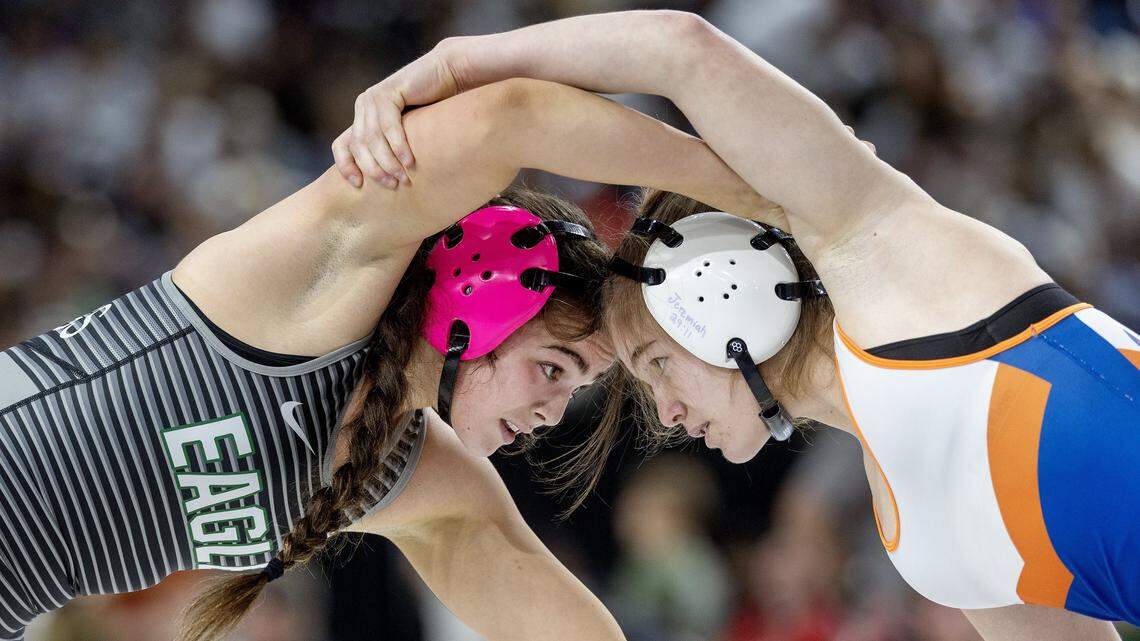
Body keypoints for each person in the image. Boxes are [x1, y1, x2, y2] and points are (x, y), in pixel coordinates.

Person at [349, 10, 1139, 640]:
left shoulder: (889, 261)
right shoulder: (921, 544)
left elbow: (681, 49)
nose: (662, 412)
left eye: (656, 360)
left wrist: (453, 64)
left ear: (730, 286)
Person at [0, 71, 766, 641]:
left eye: (579, 385)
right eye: (554, 368)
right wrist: (754, 192)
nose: (552, 412)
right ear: (476, 299)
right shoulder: (310, 294)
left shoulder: (413, 473)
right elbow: (509, 115)